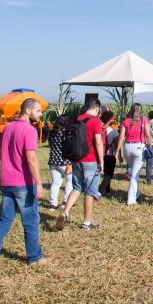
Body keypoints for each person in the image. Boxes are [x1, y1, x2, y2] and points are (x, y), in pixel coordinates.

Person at [0, 98, 48, 274]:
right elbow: (31, 158)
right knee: (30, 222)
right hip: (23, 183)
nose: (40, 114)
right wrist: (38, 183)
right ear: (28, 111)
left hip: (6, 182)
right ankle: (34, 257)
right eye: (38, 111)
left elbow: (2, 154)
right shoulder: (29, 130)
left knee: (3, 222)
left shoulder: (8, 128)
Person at [56, 99, 106, 231]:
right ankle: (86, 222)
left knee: (77, 188)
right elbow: (98, 142)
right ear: (97, 109)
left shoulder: (77, 119)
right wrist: (101, 162)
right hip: (90, 160)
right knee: (89, 191)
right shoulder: (95, 121)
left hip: (76, 159)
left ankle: (65, 212)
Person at [115, 103, 150, 205]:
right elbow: (148, 135)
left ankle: (137, 193)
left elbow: (121, 137)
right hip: (139, 147)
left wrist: (118, 151)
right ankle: (131, 199)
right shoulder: (144, 120)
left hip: (127, 148)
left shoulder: (126, 121)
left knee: (134, 172)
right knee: (135, 175)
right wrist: (151, 146)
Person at [47, 114, 73, 209]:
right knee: (70, 181)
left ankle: (53, 203)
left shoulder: (52, 133)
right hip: (65, 161)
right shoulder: (66, 133)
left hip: (53, 160)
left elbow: (50, 145)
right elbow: (69, 148)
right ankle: (66, 201)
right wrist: (70, 163)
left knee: (55, 183)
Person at [99, 109, 118, 196]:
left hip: (99, 154)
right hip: (110, 154)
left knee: (102, 172)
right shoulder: (114, 132)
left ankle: (106, 190)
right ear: (110, 120)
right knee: (109, 173)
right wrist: (119, 155)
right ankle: (102, 190)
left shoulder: (98, 128)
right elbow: (117, 145)